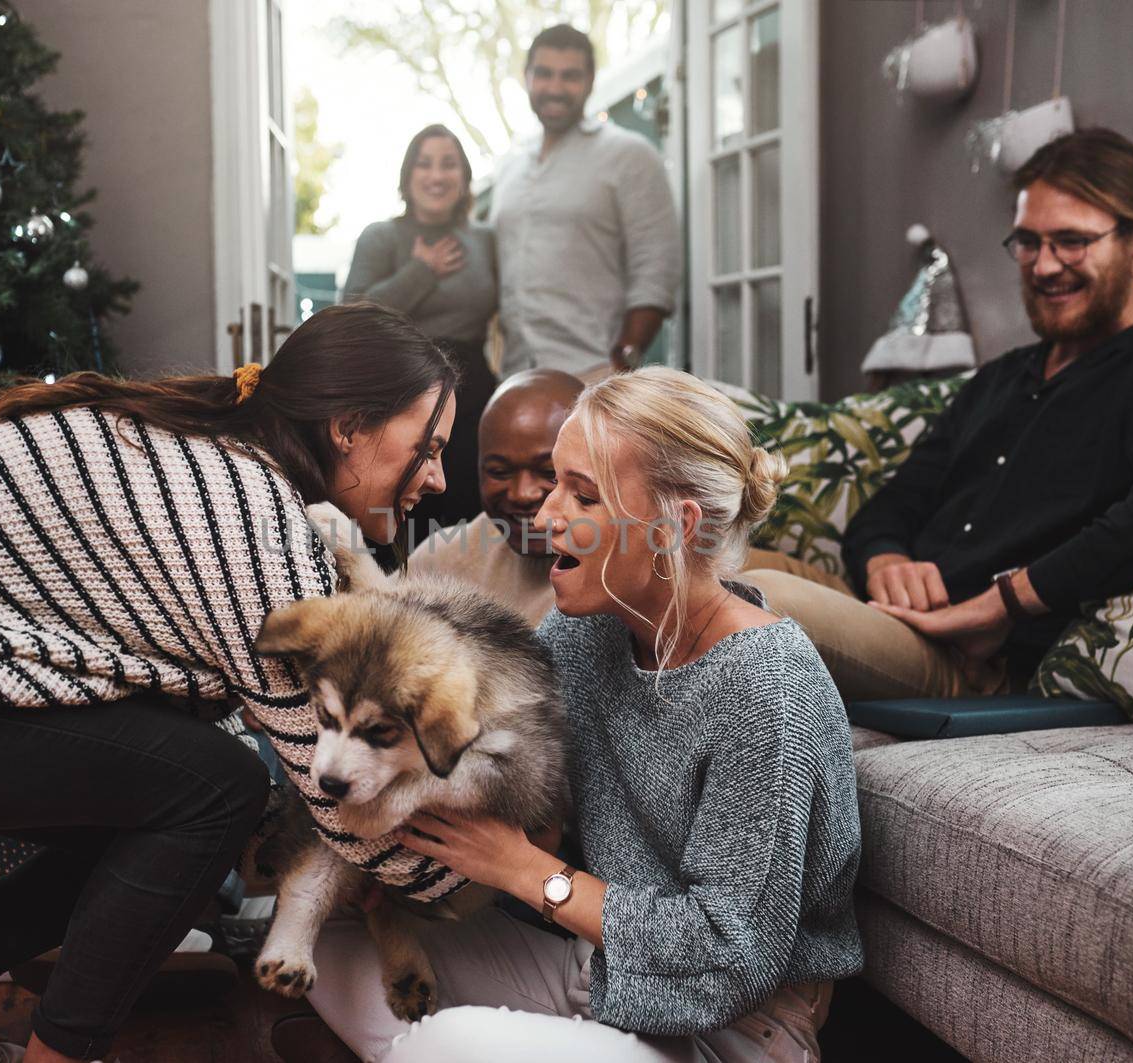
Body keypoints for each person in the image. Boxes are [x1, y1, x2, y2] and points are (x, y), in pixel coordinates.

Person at [0, 303, 456, 1063]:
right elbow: (343, 795)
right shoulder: (256, 515)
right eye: (426, 446)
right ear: (349, 427)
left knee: (178, 792)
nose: (439, 475)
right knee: (217, 790)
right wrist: (528, 882)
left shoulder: (222, 459)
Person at [307, 367, 863, 1061]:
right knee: (329, 940)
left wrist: (527, 871)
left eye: (582, 494)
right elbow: (492, 751)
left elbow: (730, 957)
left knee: (446, 1039)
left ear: (674, 526)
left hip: (735, 1028)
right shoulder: (586, 634)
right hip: (597, 971)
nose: (543, 518)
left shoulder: (767, 687)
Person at [742, 128, 1133, 701]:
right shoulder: (1000, 378)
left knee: (751, 601)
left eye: (1071, 241)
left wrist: (1006, 601)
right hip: (876, 606)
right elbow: (893, 503)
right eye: (1029, 242)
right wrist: (887, 560)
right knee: (682, 567)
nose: (1043, 266)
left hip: (964, 658)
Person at [490, 24, 681, 379]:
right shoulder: (510, 168)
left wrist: (621, 362)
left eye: (570, 76)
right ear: (526, 77)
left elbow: (657, 269)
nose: (555, 88)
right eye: (544, 74)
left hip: (593, 372)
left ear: (591, 80)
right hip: (515, 376)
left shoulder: (629, 154)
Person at [345, 124, 498, 533]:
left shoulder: (486, 239)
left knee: (469, 514)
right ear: (407, 177)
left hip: (473, 393)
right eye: (424, 164)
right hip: (402, 392)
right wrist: (421, 271)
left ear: (465, 177)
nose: (436, 175)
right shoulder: (382, 236)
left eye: (449, 164)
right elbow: (352, 314)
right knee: (406, 511)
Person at [408, 368, 583, 626]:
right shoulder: (441, 562)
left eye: (548, 472)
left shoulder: (619, 579)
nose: (522, 493)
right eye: (499, 472)